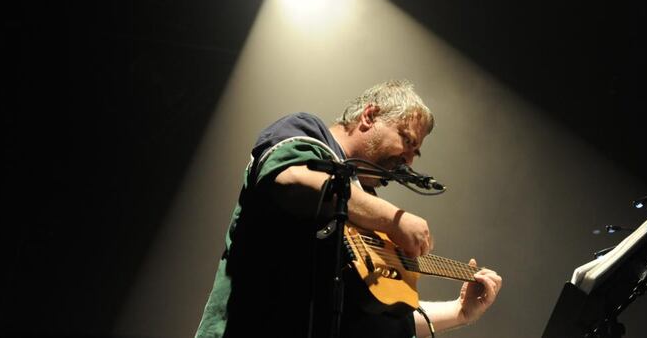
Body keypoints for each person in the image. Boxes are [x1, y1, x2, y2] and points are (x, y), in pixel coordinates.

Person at [195, 80, 502, 338]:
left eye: (415, 153)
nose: (409, 161)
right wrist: (395, 219)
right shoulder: (308, 133)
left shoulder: (364, 207)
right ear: (369, 116)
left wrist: (460, 312)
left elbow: (383, 317)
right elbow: (288, 180)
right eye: (406, 141)